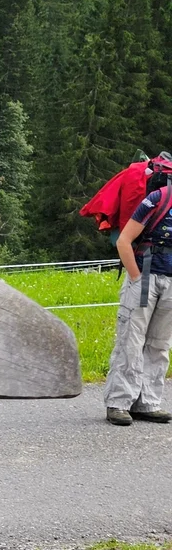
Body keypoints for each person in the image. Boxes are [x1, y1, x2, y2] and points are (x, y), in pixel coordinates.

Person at [104, 171, 172, 426]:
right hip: (145, 279)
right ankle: (119, 404)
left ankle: (147, 403)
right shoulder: (158, 198)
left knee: (160, 344)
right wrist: (135, 277)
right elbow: (124, 241)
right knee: (130, 341)